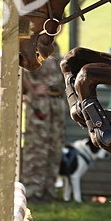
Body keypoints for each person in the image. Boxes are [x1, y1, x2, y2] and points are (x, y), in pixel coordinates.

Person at [21, 41, 67, 203]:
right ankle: (33, 191)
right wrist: (33, 88)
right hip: (40, 104)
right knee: (36, 146)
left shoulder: (54, 46)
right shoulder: (33, 44)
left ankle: (49, 189)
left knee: (54, 146)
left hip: (56, 102)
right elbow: (21, 67)